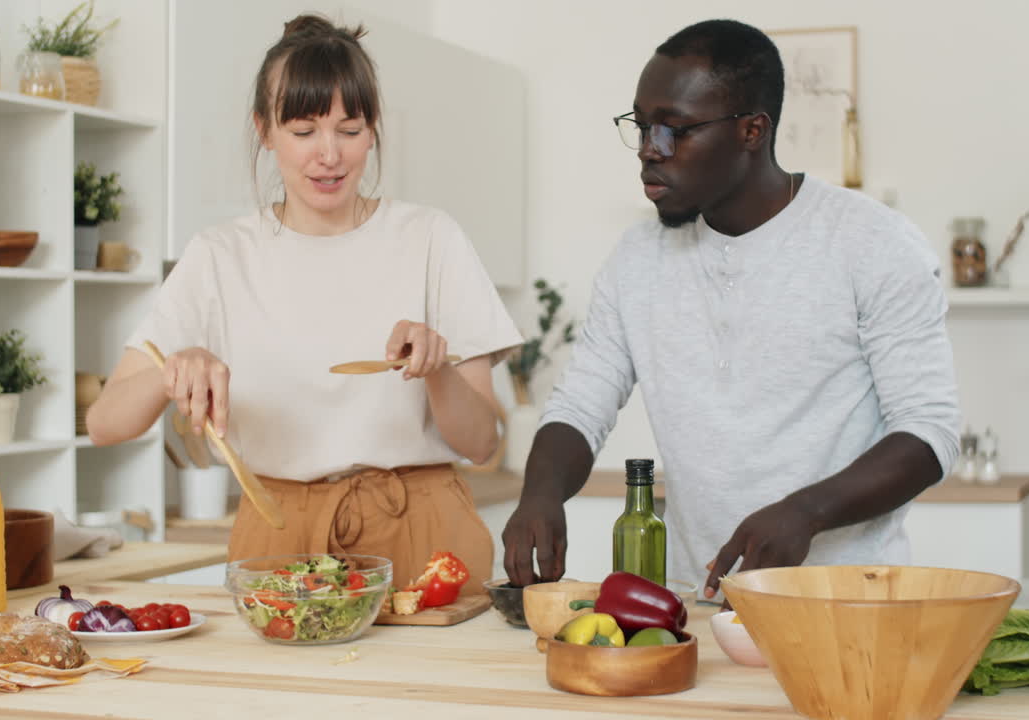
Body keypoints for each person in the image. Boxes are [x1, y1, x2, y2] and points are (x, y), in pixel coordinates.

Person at [501, 19, 960, 599]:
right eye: (641, 126)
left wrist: (807, 511)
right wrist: (540, 494)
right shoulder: (637, 259)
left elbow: (928, 433)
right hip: (700, 605)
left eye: (675, 130)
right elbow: (580, 405)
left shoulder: (871, 243)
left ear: (752, 131)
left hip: (848, 603)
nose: (649, 150)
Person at [86, 15, 521, 596]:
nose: (329, 156)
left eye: (350, 129)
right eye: (304, 130)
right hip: (278, 534)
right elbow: (105, 424)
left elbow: (482, 443)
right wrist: (174, 369)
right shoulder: (219, 256)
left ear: (373, 130)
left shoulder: (431, 239)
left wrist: (437, 369)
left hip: (422, 529)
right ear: (264, 131)